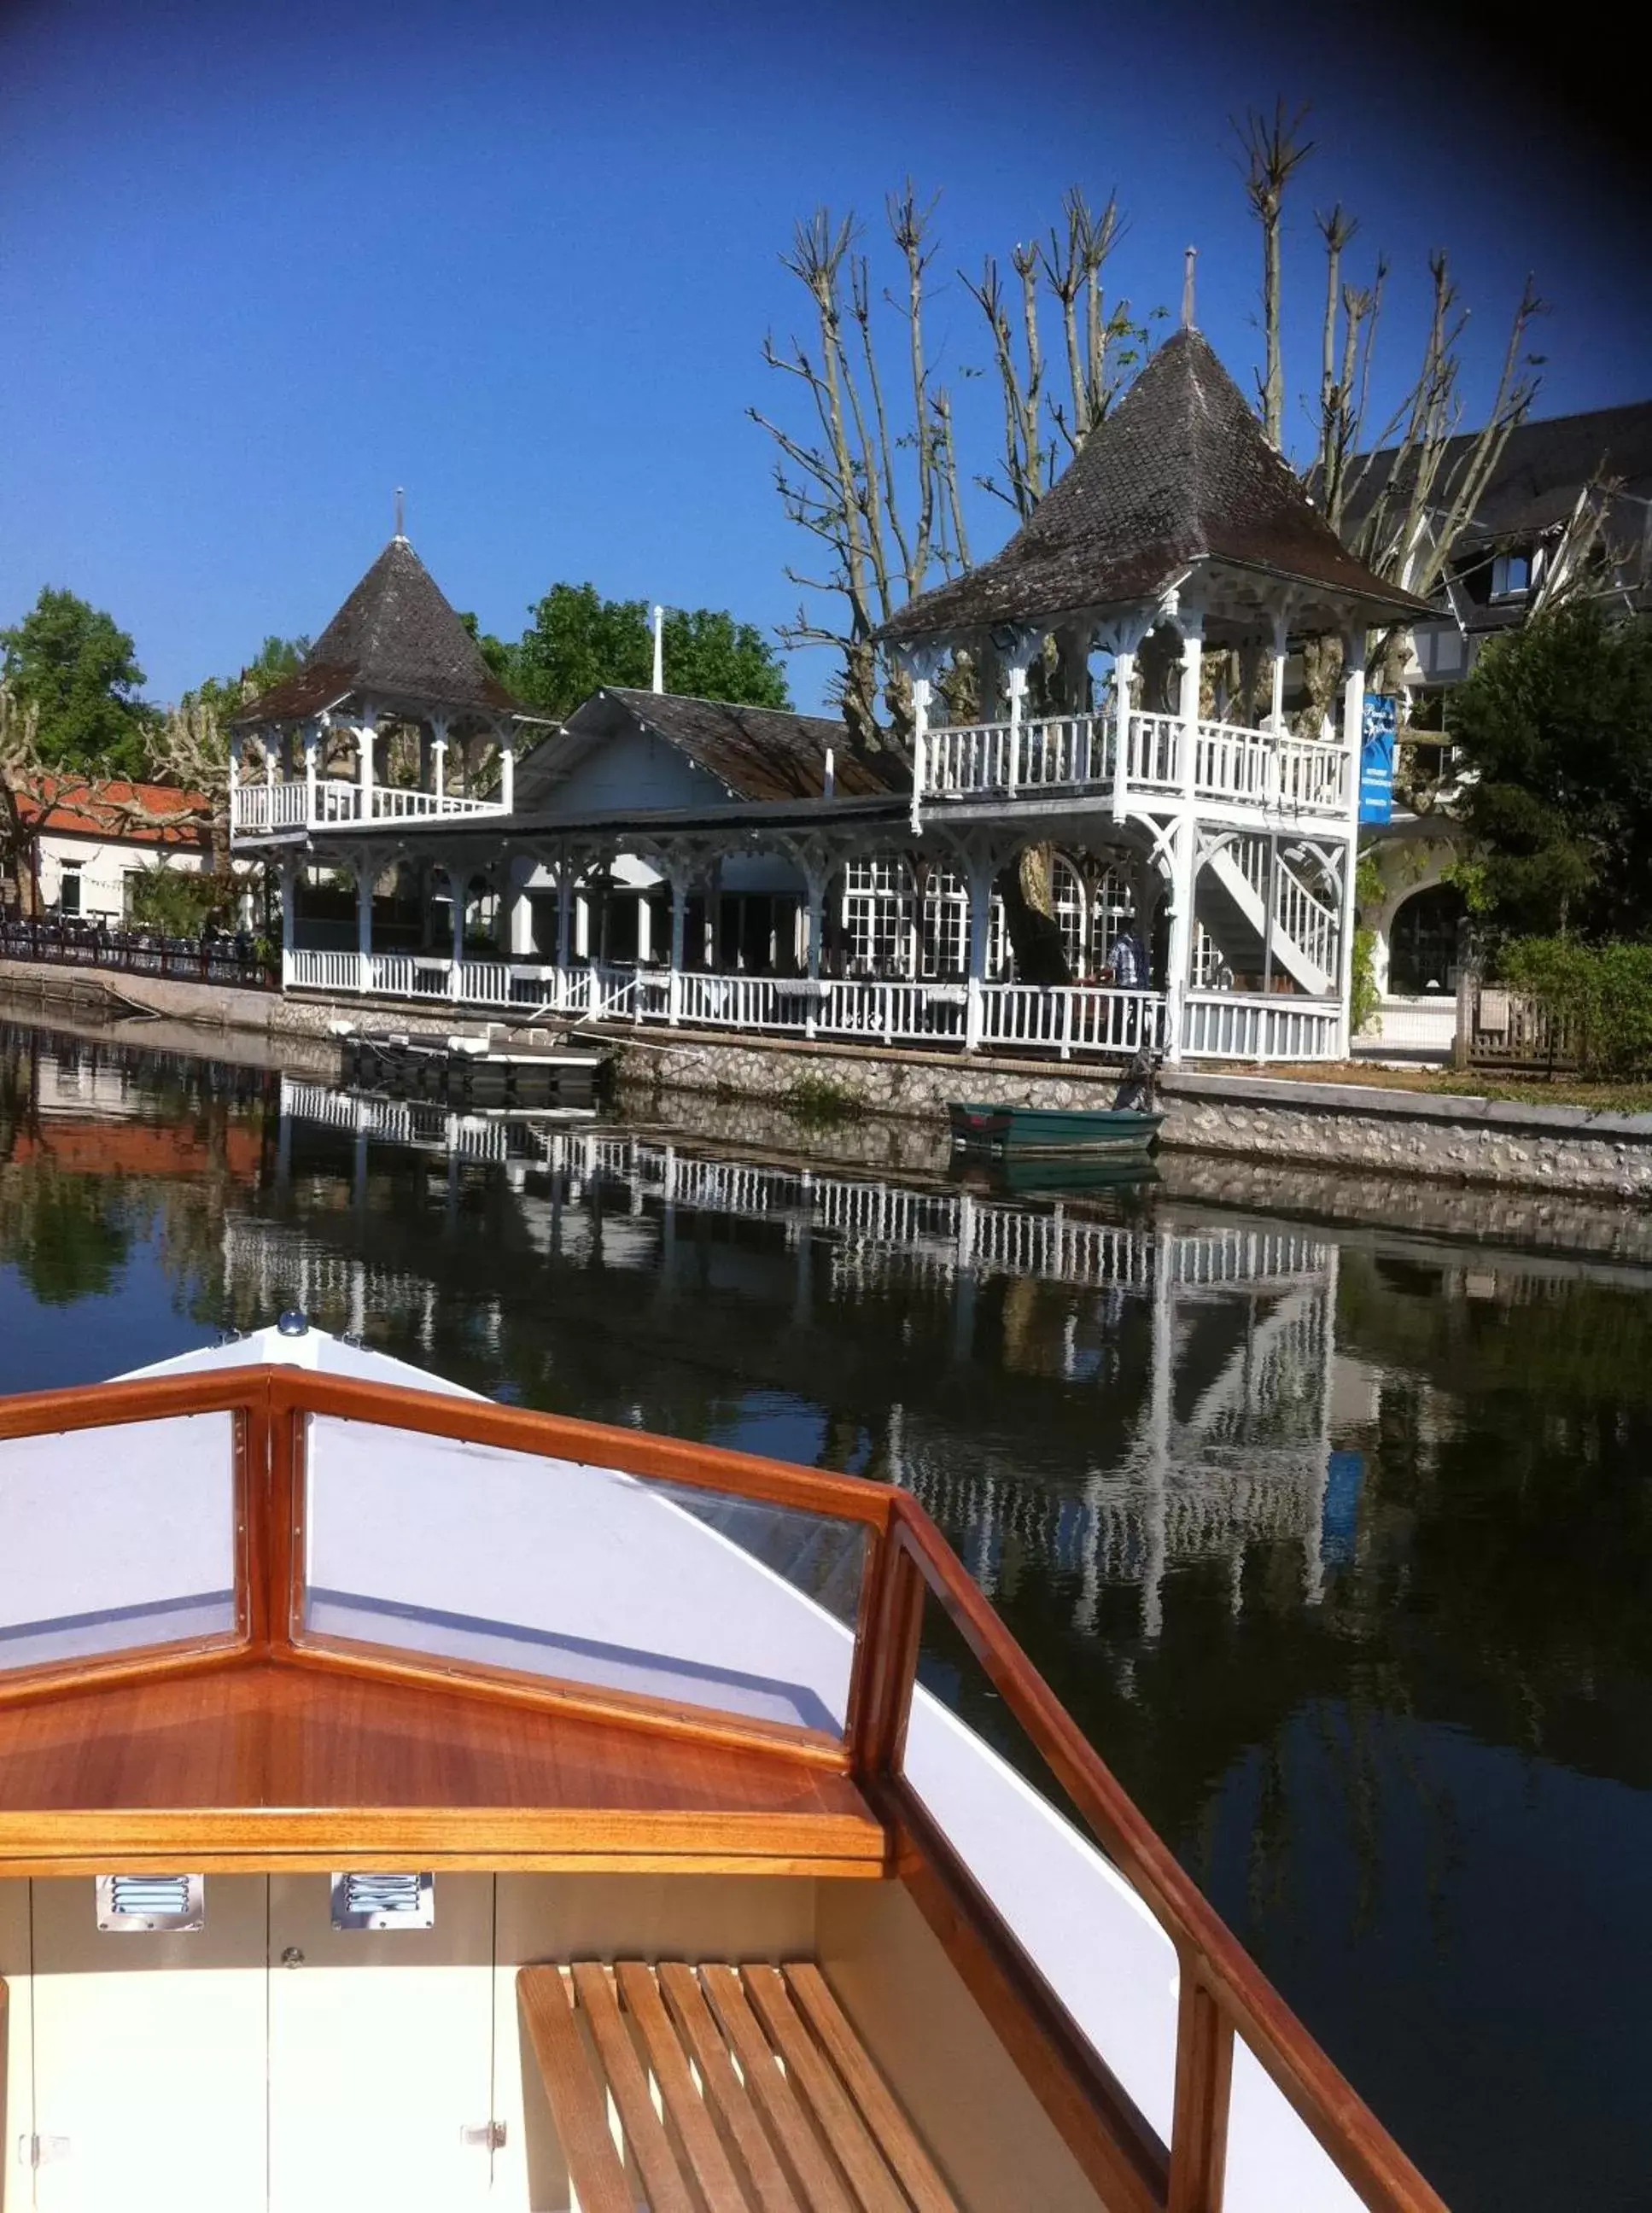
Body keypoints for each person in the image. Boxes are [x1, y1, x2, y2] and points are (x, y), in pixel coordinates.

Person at [1107, 917, 1147, 990]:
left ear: (1123, 928)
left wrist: (1096, 975)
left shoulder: (1120, 943)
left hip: (1125, 985)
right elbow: (1144, 965)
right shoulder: (1140, 943)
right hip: (1140, 985)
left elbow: (1111, 966)